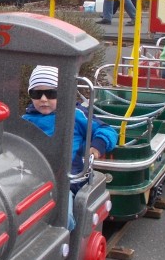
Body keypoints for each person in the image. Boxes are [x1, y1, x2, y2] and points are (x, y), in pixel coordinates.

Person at [21, 65, 119, 227]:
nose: (43, 99)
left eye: (51, 93)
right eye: (37, 94)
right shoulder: (25, 119)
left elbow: (107, 130)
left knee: (63, 218)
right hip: (34, 180)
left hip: (67, 181)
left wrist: (98, 144)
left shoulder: (76, 114)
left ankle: (64, 245)